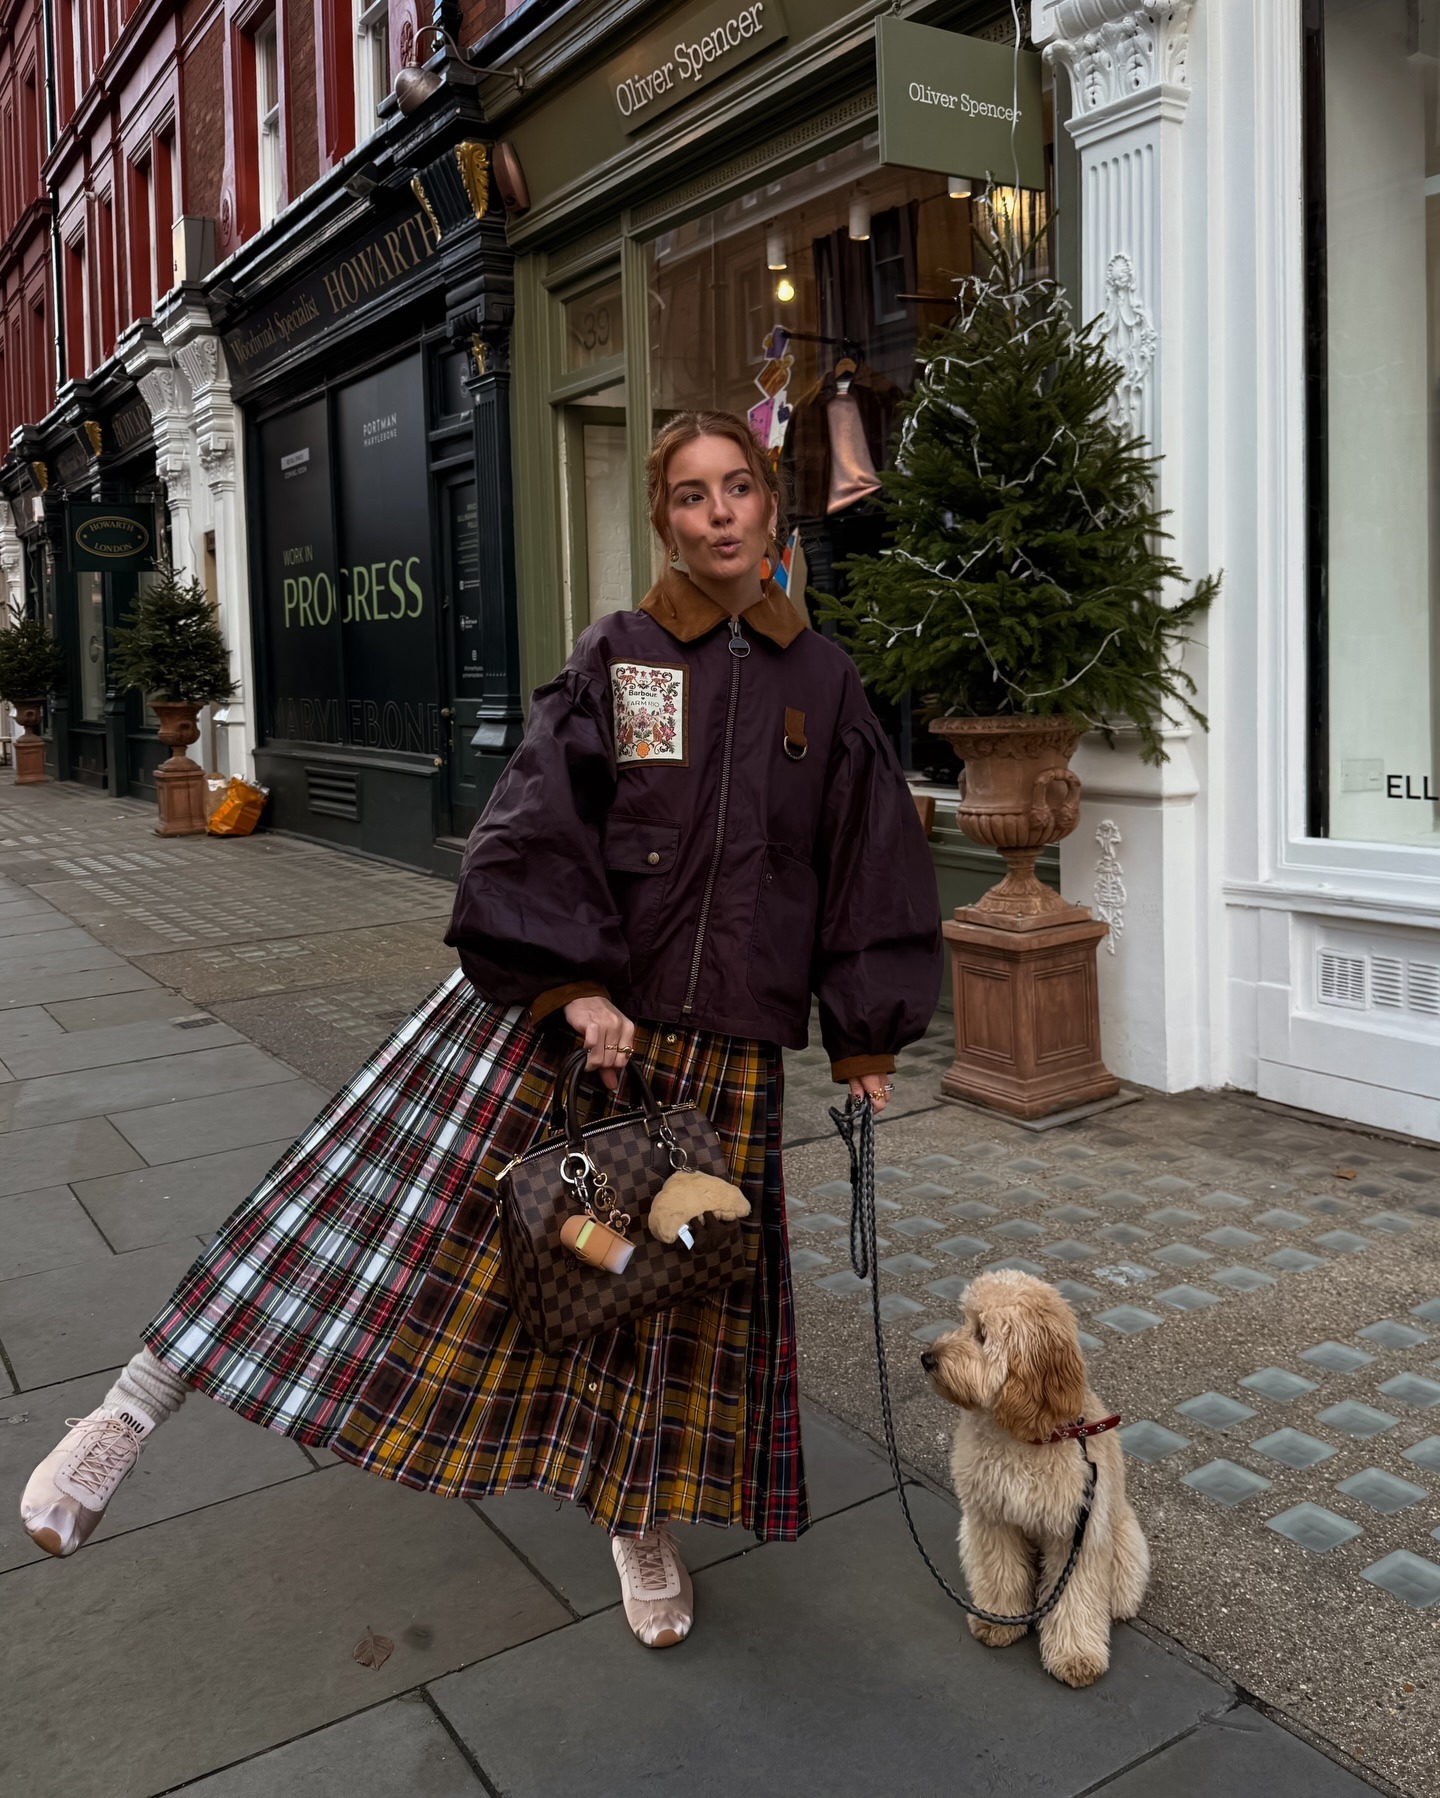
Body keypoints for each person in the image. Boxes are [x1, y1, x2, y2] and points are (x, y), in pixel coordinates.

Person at [20, 410, 942, 1649]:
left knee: (656, 1310)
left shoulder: (824, 682)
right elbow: (530, 827)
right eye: (688, 494)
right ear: (661, 516)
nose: (717, 512)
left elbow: (864, 865)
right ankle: (127, 1410)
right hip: (565, 1023)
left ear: (772, 506)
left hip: (722, 1053)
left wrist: (869, 1044)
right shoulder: (621, 656)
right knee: (369, 1220)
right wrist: (580, 988)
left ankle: (637, 1521)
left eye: (737, 489)